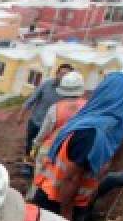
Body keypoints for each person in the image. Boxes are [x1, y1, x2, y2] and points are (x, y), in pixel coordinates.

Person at [30, 70, 123, 221]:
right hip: (56, 205)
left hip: (62, 201)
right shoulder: (92, 133)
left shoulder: (96, 124)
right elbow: (70, 179)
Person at [26, 71, 88, 200]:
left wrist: (35, 146)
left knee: (39, 182)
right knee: (63, 182)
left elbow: (44, 132)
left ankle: (32, 205)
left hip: (49, 150)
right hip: (74, 151)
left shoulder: (56, 108)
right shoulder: (89, 107)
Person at [19, 64, 75, 158]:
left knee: (44, 149)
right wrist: (21, 115)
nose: (63, 77)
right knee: (30, 144)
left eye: (67, 75)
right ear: (57, 73)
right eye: (61, 74)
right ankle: (27, 164)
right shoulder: (46, 84)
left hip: (53, 128)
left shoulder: (70, 92)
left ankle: (37, 166)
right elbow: (31, 99)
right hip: (36, 122)